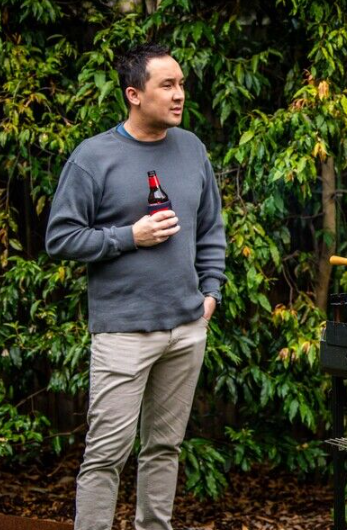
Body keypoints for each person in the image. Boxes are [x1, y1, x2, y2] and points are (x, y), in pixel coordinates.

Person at [46, 43, 226, 530]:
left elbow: (211, 229)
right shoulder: (94, 157)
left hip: (187, 328)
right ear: (133, 94)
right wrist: (130, 237)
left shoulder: (192, 149)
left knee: (165, 448)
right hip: (124, 333)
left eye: (181, 84)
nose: (179, 95)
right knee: (106, 455)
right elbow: (61, 237)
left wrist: (210, 294)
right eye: (166, 85)